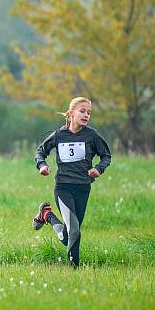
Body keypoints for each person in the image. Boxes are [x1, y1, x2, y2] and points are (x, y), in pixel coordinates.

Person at [31, 96, 112, 267]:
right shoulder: (59, 135)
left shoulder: (92, 135)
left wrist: (98, 169)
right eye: (82, 111)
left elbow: (106, 155)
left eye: (89, 112)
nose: (86, 115)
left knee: (71, 234)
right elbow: (40, 152)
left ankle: (47, 215)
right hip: (63, 188)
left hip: (83, 188)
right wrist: (42, 165)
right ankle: (74, 269)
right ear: (71, 113)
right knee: (74, 231)